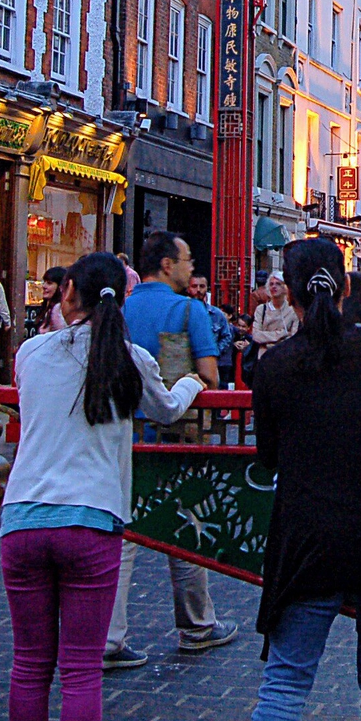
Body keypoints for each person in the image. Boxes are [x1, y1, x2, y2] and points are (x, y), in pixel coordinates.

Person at [0, 251, 204, 721]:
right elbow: (169, 410)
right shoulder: (132, 359)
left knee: (29, 665)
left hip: (23, 518)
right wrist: (194, 382)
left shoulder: (31, 352)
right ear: (124, 297)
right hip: (91, 520)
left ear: (68, 291)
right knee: (81, 671)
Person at [248, 238, 361, 721]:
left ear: (292, 295)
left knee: (285, 683)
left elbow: (268, 458)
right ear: (347, 287)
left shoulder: (275, 366)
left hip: (308, 538)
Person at [107, 232, 237, 667]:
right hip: (177, 432)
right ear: (166, 265)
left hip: (124, 432)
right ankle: (196, 625)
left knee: (124, 530)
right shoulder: (189, 309)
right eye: (186, 260)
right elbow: (209, 377)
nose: (190, 267)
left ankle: (110, 635)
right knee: (184, 524)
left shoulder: (119, 310)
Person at [252, 273, 298, 360]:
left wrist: (267, 338)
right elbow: (256, 335)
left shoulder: (293, 310)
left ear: (285, 288)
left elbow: (293, 337)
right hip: (264, 357)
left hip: (285, 357)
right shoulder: (261, 309)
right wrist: (282, 333)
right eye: (271, 284)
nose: (274, 286)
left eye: (278, 284)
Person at [40, 267, 69, 335]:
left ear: (60, 287)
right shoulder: (51, 308)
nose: (44, 286)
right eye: (44, 282)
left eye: (49, 283)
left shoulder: (58, 309)